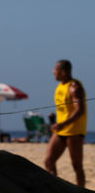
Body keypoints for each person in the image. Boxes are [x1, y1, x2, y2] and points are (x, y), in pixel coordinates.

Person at [45, 59, 87, 187]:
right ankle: (55, 188)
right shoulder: (60, 86)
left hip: (74, 131)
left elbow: (80, 110)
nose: (53, 72)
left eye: (56, 70)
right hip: (61, 130)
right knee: (49, 161)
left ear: (63, 72)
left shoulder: (74, 87)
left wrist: (64, 123)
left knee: (76, 165)